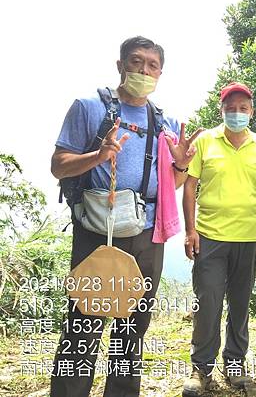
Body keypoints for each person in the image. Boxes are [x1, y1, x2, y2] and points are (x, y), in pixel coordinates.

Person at [50, 36, 201, 397]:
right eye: (136, 62)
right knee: (85, 321)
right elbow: (58, 166)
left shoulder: (166, 123)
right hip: (97, 230)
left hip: (148, 233)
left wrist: (180, 164)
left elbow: (173, 184)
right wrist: (97, 157)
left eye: (152, 66)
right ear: (120, 65)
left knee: (134, 327)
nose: (143, 71)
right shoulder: (89, 108)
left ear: (161, 73)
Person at [181, 82, 256, 396]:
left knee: (239, 304)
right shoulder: (206, 141)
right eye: (230, 108)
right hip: (209, 236)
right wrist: (190, 230)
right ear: (221, 110)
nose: (237, 113)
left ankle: (235, 364)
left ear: (252, 111)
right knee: (207, 302)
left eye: (243, 108)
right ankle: (201, 369)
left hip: (247, 238)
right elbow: (190, 186)